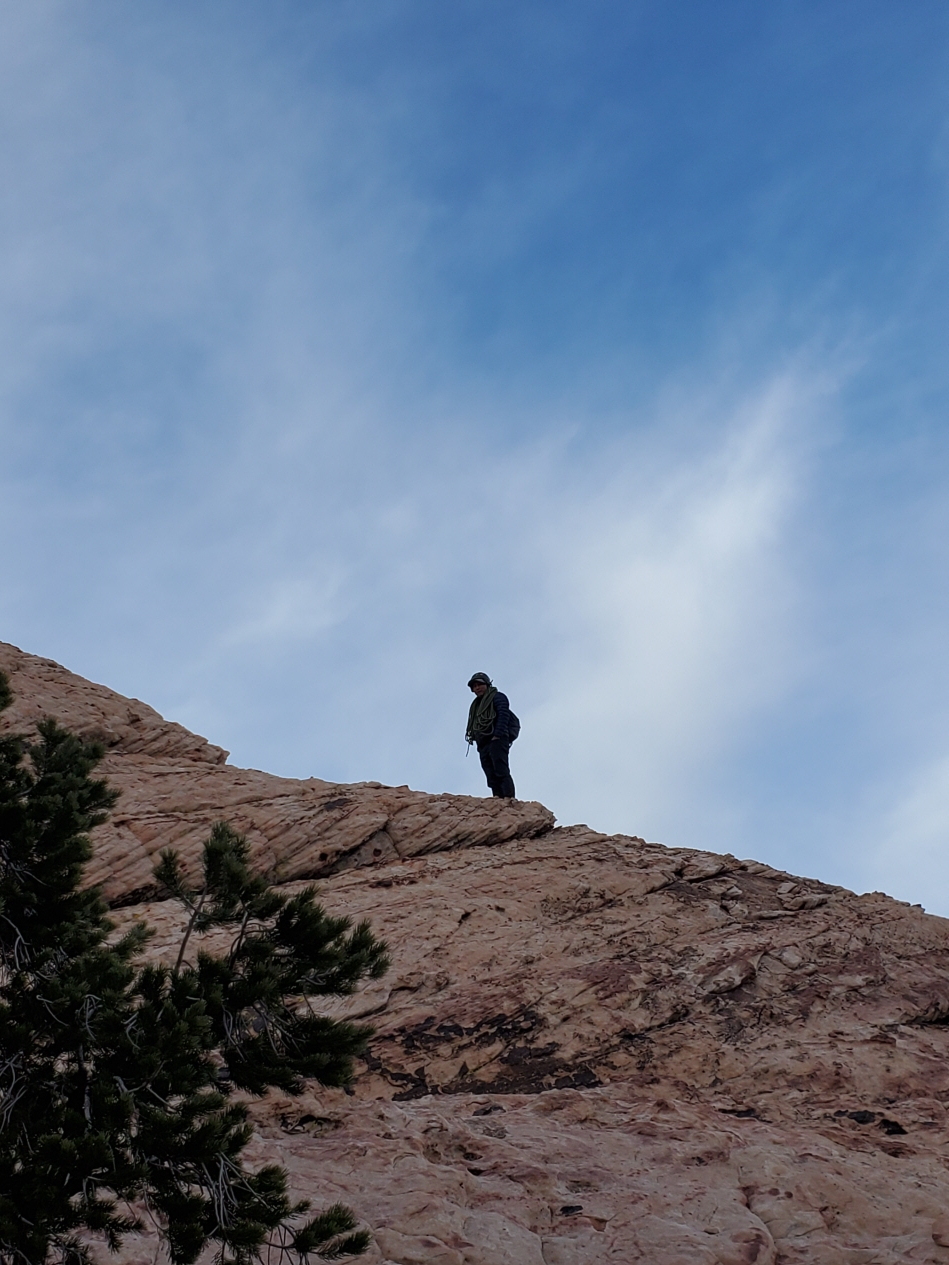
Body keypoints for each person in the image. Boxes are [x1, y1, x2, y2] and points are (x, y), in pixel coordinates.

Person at [465, 672, 518, 799]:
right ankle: (498, 799)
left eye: (480, 684)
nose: (477, 688)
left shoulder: (497, 697)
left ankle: (509, 799)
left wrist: (498, 735)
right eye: (474, 686)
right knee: (490, 774)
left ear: (487, 684)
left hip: (497, 738)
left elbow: (503, 714)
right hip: (484, 743)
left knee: (501, 770)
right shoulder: (476, 705)